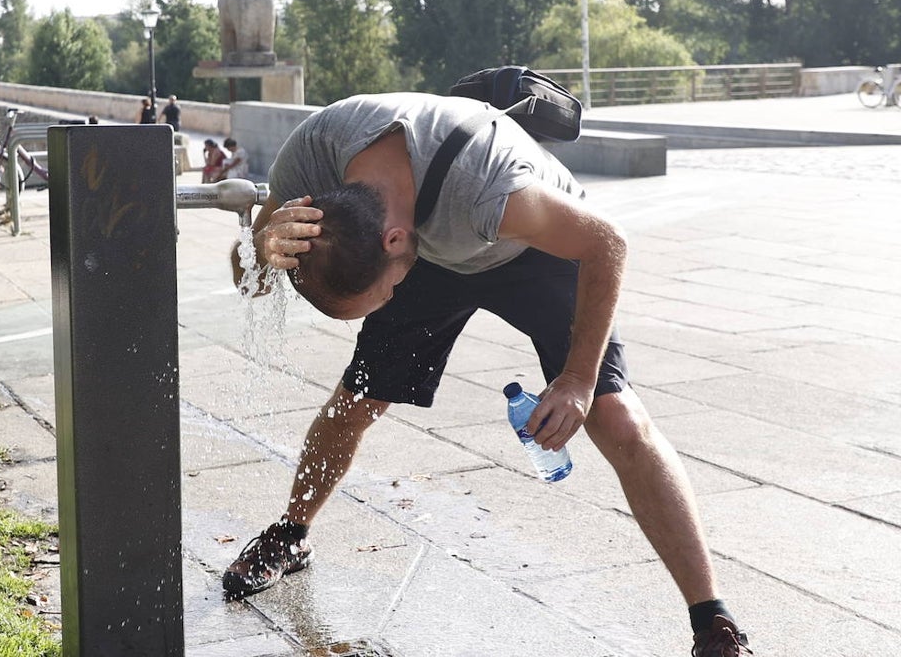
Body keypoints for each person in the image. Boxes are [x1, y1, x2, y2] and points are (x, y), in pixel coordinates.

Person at [222, 92, 751, 657]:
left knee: (616, 416)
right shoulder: (309, 161)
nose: (384, 308)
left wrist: (577, 379)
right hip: (428, 253)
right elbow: (249, 278)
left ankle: (711, 619)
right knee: (355, 402)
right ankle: (292, 535)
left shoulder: (488, 184)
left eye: (383, 297)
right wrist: (255, 245)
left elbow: (607, 241)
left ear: (393, 244)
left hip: (531, 246)